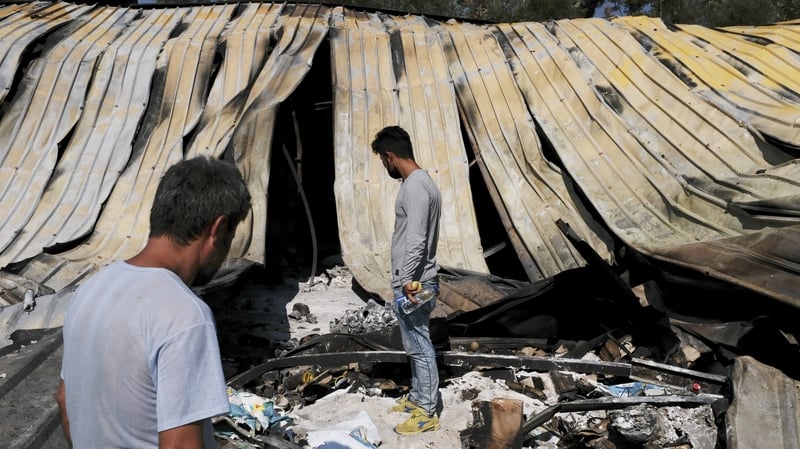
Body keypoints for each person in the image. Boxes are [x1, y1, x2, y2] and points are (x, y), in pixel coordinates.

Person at [56, 156, 252, 449]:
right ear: (218, 228)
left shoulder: (91, 289)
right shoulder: (184, 314)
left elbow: (65, 399)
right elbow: (180, 445)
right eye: (231, 236)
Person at [371, 125, 442, 434]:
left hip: (416, 282)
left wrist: (406, 280)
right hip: (417, 279)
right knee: (415, 344)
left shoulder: (414, 187)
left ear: (390, 156)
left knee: (420, 346)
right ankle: (417, 398)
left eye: (382, 160)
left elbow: (415, 240)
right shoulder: (424, 183)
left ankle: (426, 411)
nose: (384, 166)